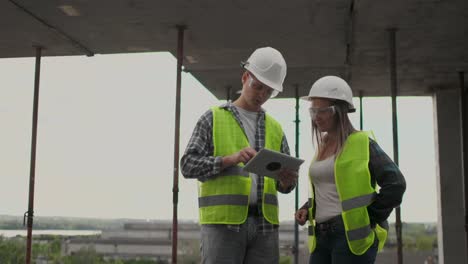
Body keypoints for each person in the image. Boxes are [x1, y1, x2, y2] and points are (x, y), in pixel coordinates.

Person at [181, 47, 298, 264]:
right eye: (258, 87)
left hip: (265, 226)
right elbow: (188, 165)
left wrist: (287, 182)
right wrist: (230, 159)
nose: (262, 95)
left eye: (269, 91)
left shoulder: (276, 128)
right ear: (245, 78)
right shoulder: (212, 118)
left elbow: (285, 187)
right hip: (223, 226)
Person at [294, 76, 406, 264]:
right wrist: (307, 208)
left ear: (340, 111)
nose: (316, 116)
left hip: (348, 237)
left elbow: (396, 184)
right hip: (321, 237)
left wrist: (369, 216)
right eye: (313, 111)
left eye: (323, 111)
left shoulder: (362, 143)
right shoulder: (322, 146)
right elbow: (333, 187)